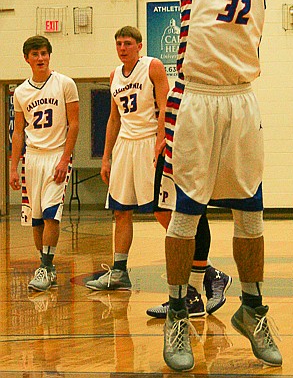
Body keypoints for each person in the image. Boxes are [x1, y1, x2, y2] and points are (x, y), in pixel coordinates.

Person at [160, 0, 287, 371]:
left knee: (252, 214)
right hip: (198, 98)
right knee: (187, 212)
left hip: (242, 102)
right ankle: (179, 315)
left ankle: (253, 307)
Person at [85, 26, 169, 291]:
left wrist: (160, 140)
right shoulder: (114, 76)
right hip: (124, 146)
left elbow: (165, 106)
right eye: (119, 44)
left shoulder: (153, 66)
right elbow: (114, 118)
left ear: (139, 46)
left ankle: (199, 263)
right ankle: (119, 271)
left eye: (128, 43)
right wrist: (106, 157)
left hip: (148, 143)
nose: (123, 48)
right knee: (121, 211)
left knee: (161, 210)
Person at [10, 35, 79, 292]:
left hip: (57, 155)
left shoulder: (65, 84)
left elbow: (75, 124)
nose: (40, 58)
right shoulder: (20, 92)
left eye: (44, 53)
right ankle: (45, 267)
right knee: (36, 219)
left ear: (50, 55)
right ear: (26, 58)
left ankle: (47, 267)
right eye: (35, 54)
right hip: (33, 157)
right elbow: (18, 132)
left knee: (52, 214)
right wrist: (13, 166)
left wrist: (65, 158)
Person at [147, 154, 232, 318]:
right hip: (171, 137)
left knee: (192, 209)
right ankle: (210, 273)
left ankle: (193, 293)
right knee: (162, 210)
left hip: (193, 141)